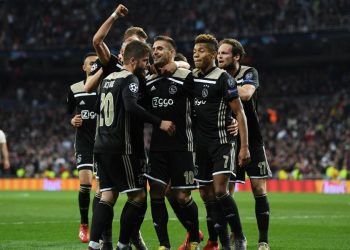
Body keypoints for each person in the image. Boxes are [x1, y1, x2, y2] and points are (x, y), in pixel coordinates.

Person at [88, 40, 175, 250]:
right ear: (133, 60)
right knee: (137, 196)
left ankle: (93, 245)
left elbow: (99, 106)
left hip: (101, 145)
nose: (147, 65)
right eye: (145, 61)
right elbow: (130, 106)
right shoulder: (130, 78)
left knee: (107, 195)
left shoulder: (108, 78)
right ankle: (122, 244)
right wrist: (159, 122)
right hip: (121, 148)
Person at [192, 34, 250, 250]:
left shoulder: (224, 78)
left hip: (222, 141)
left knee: (220, 191)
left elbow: (240, 113)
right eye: (195, 50)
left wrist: (244, 147)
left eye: (202, 50)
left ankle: (239, 236)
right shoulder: (192, 77)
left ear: (214, 55)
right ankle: (221, 242)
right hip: (199, 145)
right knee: (206, 194)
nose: (196, 53)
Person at [143, 36, 200, 250]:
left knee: (182, 195)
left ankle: (194, 237)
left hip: (183, 145)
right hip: (157, 148)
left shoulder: (186, 76)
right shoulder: (148, 80)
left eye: (160, 49)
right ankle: (163, 245)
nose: (155, 51)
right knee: (156, 192)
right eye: (153, 49)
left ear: (172, 53)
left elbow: (204, 102)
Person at [218, 38, 272, 250]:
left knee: (259, 188)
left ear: (236, 56)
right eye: (218, 53)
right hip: (228, 139)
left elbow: (247, 94)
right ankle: (235, 235)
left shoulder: (249, 72)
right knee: (225, 192)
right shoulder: (217, 75)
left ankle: (263, 241)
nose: (219, 56)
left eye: (224, 53)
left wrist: (220, 89)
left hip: (253, 139)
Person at [66, 52, 99, 243]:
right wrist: (73, 120)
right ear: (84, 67)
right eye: (91, 63)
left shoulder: (105, 87)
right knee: (86, 183)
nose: (94, 65)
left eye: (97, 63)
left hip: (104, 142)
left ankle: (99, 225)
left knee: (102, 190)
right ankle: (84, 224)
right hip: (84, 142)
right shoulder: (75, 89)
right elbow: (70, 113)